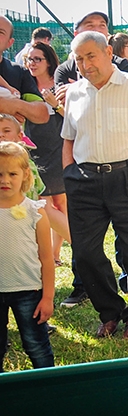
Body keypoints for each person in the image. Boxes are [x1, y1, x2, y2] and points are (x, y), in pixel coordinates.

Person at [61, 31, 128, 339]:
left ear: (109, 52)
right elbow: (69, 138)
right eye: (79, 58)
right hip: (83, 180)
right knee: (85, 253)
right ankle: (109, 313)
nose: (85, 65)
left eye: (91, 56)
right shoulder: (74, 93)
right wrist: (68, 174)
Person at [0, 141, 55, 370]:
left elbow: (46, 258)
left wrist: (48, 297)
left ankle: (48, 386)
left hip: (29, 291)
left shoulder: (36, 212)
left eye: (12, 173)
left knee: (36, 344)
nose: (4, 180)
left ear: (25, 175)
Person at [23, 41, 71, 262]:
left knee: (60, 203)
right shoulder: (25, 84)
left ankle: (55, 252)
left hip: (57, 146)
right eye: (29, 59)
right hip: (32, 147)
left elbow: (72, 118)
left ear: (49, 61)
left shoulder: (59, 84)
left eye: (37, 59)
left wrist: (55, 103)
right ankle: (56, 252)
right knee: (43, 202)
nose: (32, 63)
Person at [54, 11, 128, 86]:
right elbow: (62, 99)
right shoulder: (64, 71)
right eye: (90, 25)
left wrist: (79, 90)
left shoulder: (122, 65)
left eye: (102, 25)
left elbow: (127, 95)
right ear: (76, 34)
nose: (97, 30)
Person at [0, 16, 50, 127]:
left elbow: (42, 113)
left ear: (10, 43)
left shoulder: (19, 71)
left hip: (11, 143)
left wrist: (15, 105)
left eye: (0, 32)